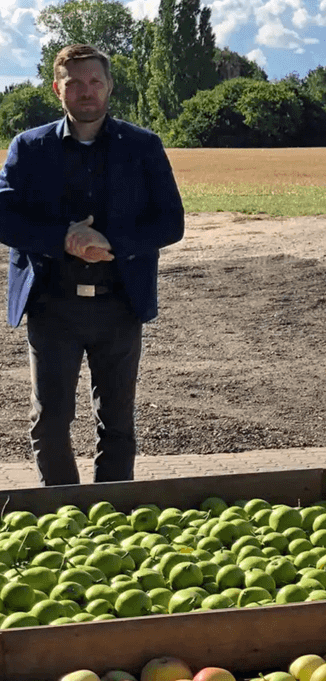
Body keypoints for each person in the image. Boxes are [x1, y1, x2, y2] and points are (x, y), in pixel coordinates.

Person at [0, 43, 184, 486]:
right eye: (75, 83)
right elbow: (4, 215)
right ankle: (61, 513)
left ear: (109, 86)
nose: (86, 92)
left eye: (95, 82)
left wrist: (112, 242)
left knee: (118, 424)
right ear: (56, 88)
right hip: (51, 306)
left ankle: (112, 513)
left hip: (119, 305)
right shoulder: (29, 147)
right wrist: (63, 239)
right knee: (50, 421)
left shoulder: (143, 146)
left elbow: (171, 221)